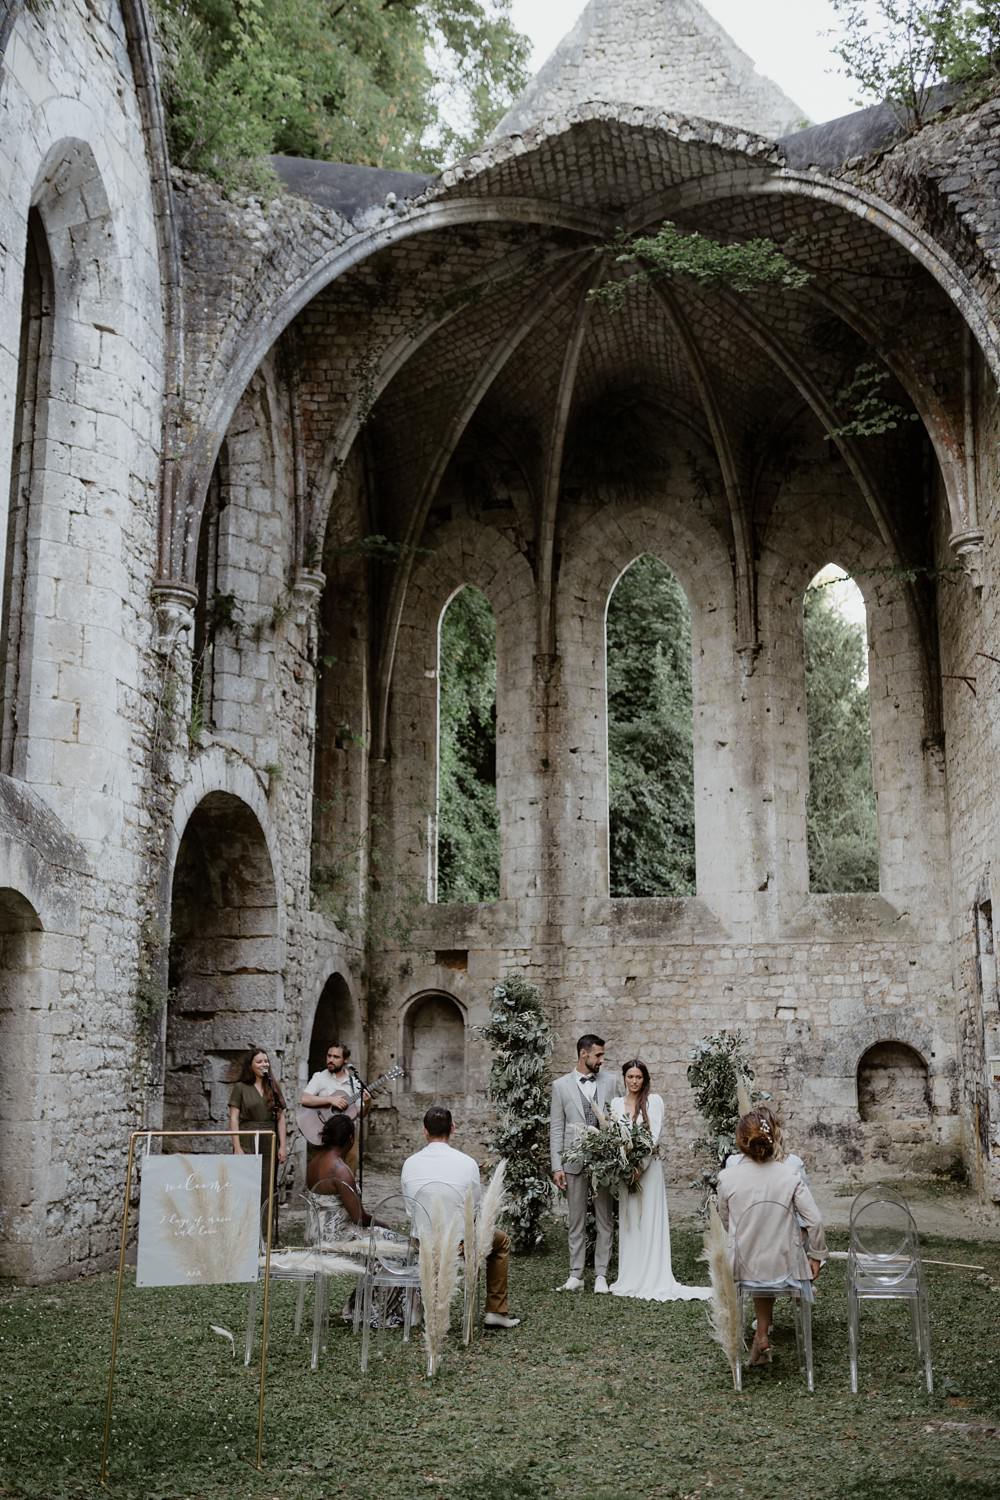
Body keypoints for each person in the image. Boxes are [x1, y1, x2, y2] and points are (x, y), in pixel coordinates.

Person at [716, 1109, 828, 1368]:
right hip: (786, 1271)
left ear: (741, 1141)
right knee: (771, 1259)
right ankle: (766, 1337)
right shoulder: (789, 1175)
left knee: (758, 1261)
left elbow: (726, 1221)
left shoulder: (727, 1177)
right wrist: (816, 1256)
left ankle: (760, 1336)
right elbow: (815, 1221)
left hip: (743, 1271)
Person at [401, 1106, 520, 1329]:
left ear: (424, 1131)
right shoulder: (467, 1163)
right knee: (501, 1240)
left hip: (423, 1243)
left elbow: (411, 1209)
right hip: (460, 1244)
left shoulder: (409, 1163)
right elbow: (473, 1211)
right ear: (453, 1128)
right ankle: (496, 1310)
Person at [609, 1059, 711, 1303]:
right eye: (630, 1077)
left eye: (638, 1077)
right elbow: (614, 1137)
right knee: (631, 1219)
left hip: (649, 1170)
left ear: (645, 1079)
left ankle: (653, 1274)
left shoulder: (653, 1102)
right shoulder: (615, 1104)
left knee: (649, 1218)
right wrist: (625, 1167)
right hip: (626, 1171)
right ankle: (631, 1275)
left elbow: (652, 1138)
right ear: (624, 1077)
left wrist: (640, 1168)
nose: (634, 1081)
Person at [306, 1114, 403, 1327]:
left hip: (315, 1232)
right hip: (338, 1236)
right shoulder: (340, 1170)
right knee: (396, 1245)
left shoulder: (314, 1163)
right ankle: (372, 1311)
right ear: (350, 1139)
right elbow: (358, 1217)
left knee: (387, 1240)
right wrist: (381, 1223)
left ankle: (358, 1305)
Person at [549, 1033, 618, 1293]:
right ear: (583, 1054)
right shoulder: (560, 1086)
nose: (602, 1059)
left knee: (605, 1218)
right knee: (576, 1219)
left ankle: (601, 1275)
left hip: (603, 1162)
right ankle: (576, 1274)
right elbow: (556, 1128)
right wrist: (557, 1166)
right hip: (573, 1160)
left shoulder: (611, 1082)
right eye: (598, 1055)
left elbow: (618, 1117)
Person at [228, 1046, 287, 1239]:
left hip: (269, 1140)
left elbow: (280, 1118)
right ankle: (244, 1234)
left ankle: (265, 1235)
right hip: (247, 1138)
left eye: (266, 1061)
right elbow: (234, 1118)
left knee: (267, 1188)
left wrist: (283, 1146)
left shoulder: (273, 1087)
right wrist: (237, 1146)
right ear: (251, 1066)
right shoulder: (240, 1088)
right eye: (259, 1061)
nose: (264, 1064)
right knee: (245, 1186)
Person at [300, 1042, 371, 1171]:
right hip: (325, 1132)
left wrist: (368, 1102)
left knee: (349, 1168)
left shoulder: (354, 1082)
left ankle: (346, 1189)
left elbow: (360, 1113)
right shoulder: (320, 1077)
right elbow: (304, 1099)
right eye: (329, 1056)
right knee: (323, 1170)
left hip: (348, 1135)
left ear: (345, 1060)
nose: (331, 1060)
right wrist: (329, 1099)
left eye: (336, 1057)